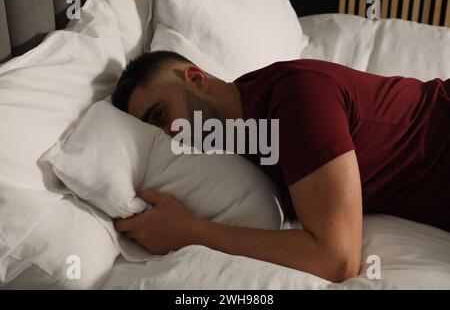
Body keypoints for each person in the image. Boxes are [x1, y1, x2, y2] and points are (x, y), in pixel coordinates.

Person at [112, 51, 450, 282]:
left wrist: (190, 233)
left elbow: (337, 260)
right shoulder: (236, 138)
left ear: (197, 80)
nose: (169, 137)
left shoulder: (295, 96)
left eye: (161, 116)